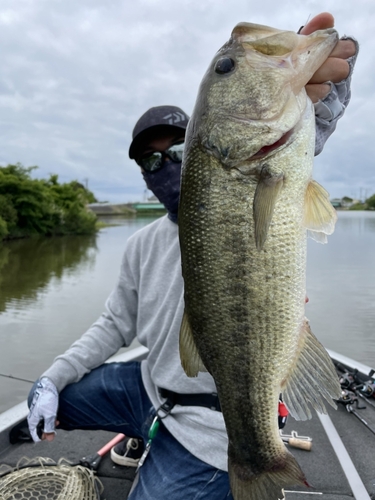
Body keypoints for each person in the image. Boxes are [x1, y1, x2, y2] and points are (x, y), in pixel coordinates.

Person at [27, 13, 358, 500]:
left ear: (197, 147)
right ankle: (117, 417)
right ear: (142, 173)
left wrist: (308, 118)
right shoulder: (142, 243)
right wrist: (52, 379)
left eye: (176, 149)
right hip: (149, 388)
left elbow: (274, 173)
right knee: (63, 400)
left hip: (211, 418)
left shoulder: (260, 173)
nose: (163, 166)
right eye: (150, 160)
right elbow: (116, 324)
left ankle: (250, 457)